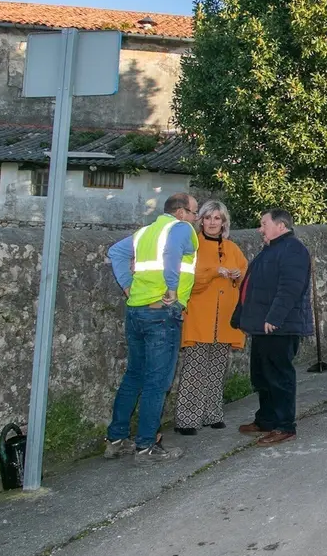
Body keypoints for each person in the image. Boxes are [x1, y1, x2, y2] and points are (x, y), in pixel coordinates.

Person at [104, 193, 200, 464]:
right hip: (162, 313)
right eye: (194, 213)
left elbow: (115, 252)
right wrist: (172, 289)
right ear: (181, 213)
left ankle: (116, 439)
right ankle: (146, 446)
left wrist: (126, 285)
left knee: (134, 376)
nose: (197, 219)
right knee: (157, 383)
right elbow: (171, 254)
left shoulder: (145, 232)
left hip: (136, 310)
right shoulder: (181, 229)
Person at [235, 209, 314, 446]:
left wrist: (275, 317)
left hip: (279, 326)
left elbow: (290, 288)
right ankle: (266, 420)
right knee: (261, 375)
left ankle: (284, 426)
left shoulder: (293, 249)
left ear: (281, 225)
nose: (260, 229)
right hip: (264, 326)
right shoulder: (272, 249)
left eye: (263, 224)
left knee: (279, 377)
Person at [174, 200, 248, 435]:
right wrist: (213, 272)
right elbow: (187, 283)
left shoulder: (232, 248)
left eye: (217, 218)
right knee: (194, 369)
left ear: (223, 222)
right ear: (201, 220)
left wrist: (236, 275)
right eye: (208, 218)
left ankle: (212, 413)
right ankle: (187, 419)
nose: (212, 222)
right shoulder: (192, 247)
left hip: (224, 319)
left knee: (217, 368)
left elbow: (244, 276)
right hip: (199, 316)